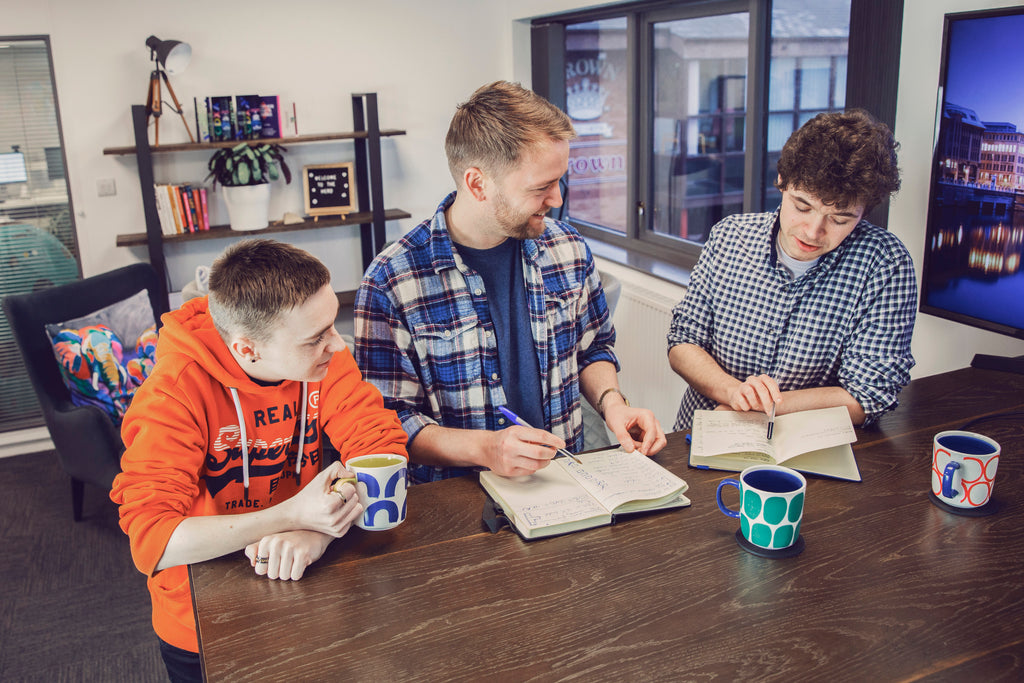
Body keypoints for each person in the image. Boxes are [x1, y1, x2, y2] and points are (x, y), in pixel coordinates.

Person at [110, 239, 407, 682]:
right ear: (248, 350)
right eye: (316, 338)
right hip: (204, 617)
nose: (338, 345)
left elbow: (379, 448)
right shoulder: (173, 392)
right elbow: (155, 539)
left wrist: (316, 532)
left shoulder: (323, 359)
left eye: (332, 324)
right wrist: (291, 514)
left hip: (307, 581)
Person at [355, 80, 666, 484]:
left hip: (567, 482)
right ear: (477, 184)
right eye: (541, 187)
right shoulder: (390, 282)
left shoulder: (568, 248)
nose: (557, 199)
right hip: (461, 504)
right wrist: (486, 449)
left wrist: (613, 405)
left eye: (559, 180)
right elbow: (390, 421)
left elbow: (593, 350)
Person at [668, 109, 917, 431]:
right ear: (781, 182)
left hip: (810, 445)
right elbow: (683, 342)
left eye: (840, 219)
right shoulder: (730, 236)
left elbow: (868, 395)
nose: (813, 231)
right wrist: (734, 392)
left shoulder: (885, 264)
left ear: (864, 212)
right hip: (704, 430)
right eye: (802, 206)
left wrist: (762, 407)